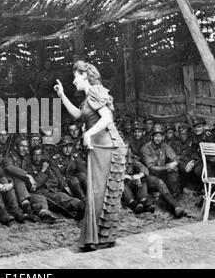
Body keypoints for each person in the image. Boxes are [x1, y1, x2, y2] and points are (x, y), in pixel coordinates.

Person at [54, 60, 126, 251]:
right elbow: (78, 115)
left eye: (75, 77)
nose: (74, 81)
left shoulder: (95, 91)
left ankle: (99, 239)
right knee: (97, 192)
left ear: (84, 75)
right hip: (98, 147)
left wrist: (87, 134)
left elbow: (107, 118)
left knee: (100, 192)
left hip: (107, 146)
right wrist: (62, 96)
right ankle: (97, 239)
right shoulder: (87, 98)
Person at [140, 124, 186, 218]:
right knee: (160, 183)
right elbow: (152, 168)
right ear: (152, 136)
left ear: (163, 137)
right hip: (149, 176)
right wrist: (167, 167)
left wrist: (175, 163)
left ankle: (170, 198)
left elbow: (176, 157)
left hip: (162, 173)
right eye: (156, 136)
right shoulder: (145, 148)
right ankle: (176, 207)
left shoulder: (165, 146)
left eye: (160, 136)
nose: (158, 138)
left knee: (174, 173)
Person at [30, 146, 85, 220]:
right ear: (32, 156)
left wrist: (47, 185)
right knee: (60, 197)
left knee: (62, 196)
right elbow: (34, 185)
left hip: (51, 190)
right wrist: (42, 171)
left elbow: (55, 180)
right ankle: (81, 206)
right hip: (40, 193)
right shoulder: (29, 168)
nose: (37, 157)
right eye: (35, 155)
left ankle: (82, 206)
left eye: (39, 155)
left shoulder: (46, 166)